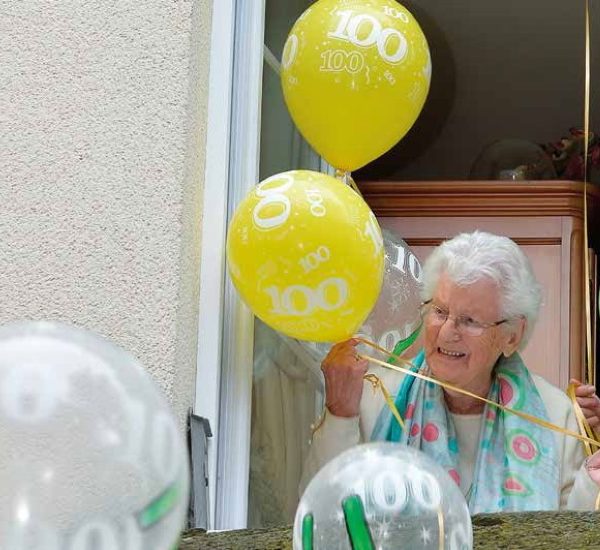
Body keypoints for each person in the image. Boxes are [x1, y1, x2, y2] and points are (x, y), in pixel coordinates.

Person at [301, 230, 600, 512]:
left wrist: (594, 478)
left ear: (512, 336)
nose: (446, 332)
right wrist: (339, 415)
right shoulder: (375, 397)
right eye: (440, 311)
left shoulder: (553, 414)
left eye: (469, 320)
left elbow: (570, 533)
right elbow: (319, 513)